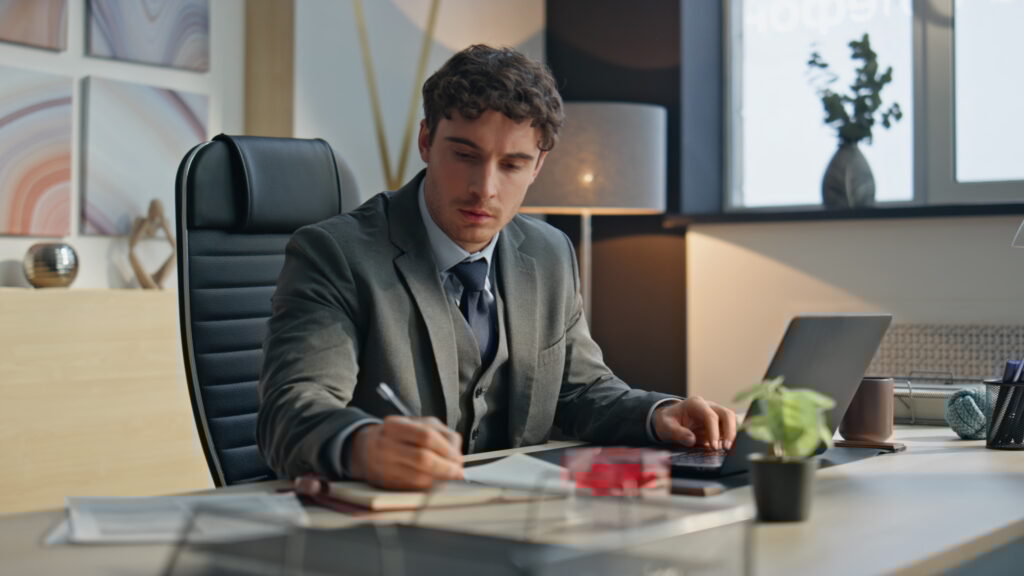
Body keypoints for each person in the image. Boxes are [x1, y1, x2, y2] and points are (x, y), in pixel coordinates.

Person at [257, 45, 736, 491]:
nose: (484, 188)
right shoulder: (334, 253)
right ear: (426, 140)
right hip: (383, 528)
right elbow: (291, 410)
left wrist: (659, 412)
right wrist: (359, 445)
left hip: (517, 518)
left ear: (538, 166)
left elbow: (582, 389)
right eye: (465, 155)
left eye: (511, 164)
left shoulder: (550, 253)